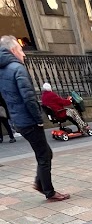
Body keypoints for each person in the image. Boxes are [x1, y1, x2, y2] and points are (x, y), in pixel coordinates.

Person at [0, 35, 69, 201]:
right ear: (13, 50)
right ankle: (48, 191)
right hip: (28, 120)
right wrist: (38, 118)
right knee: (44, 155)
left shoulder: (2, 70)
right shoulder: (17, 68)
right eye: (21, 49)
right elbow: (28, 97)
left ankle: (41, 184)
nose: (24, 54)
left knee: (45, 153)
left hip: (18, 120)